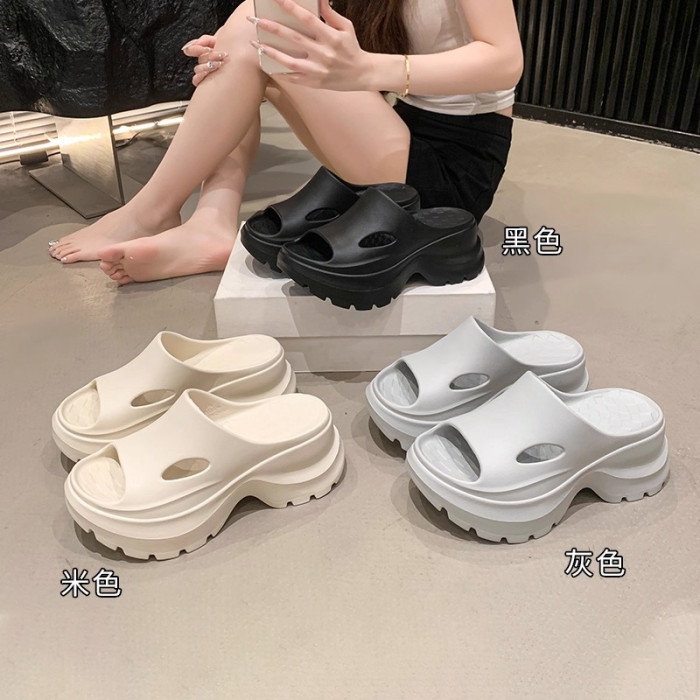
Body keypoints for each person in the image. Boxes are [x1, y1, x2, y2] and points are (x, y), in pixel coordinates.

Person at [48, 0, 523, 285]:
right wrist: (225, 56)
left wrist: (368, 68)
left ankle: (152, 213)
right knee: (249, 35)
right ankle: (209, 221)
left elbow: (505, 60)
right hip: (400, 133)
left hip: (453, 170)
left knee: (254, 30)